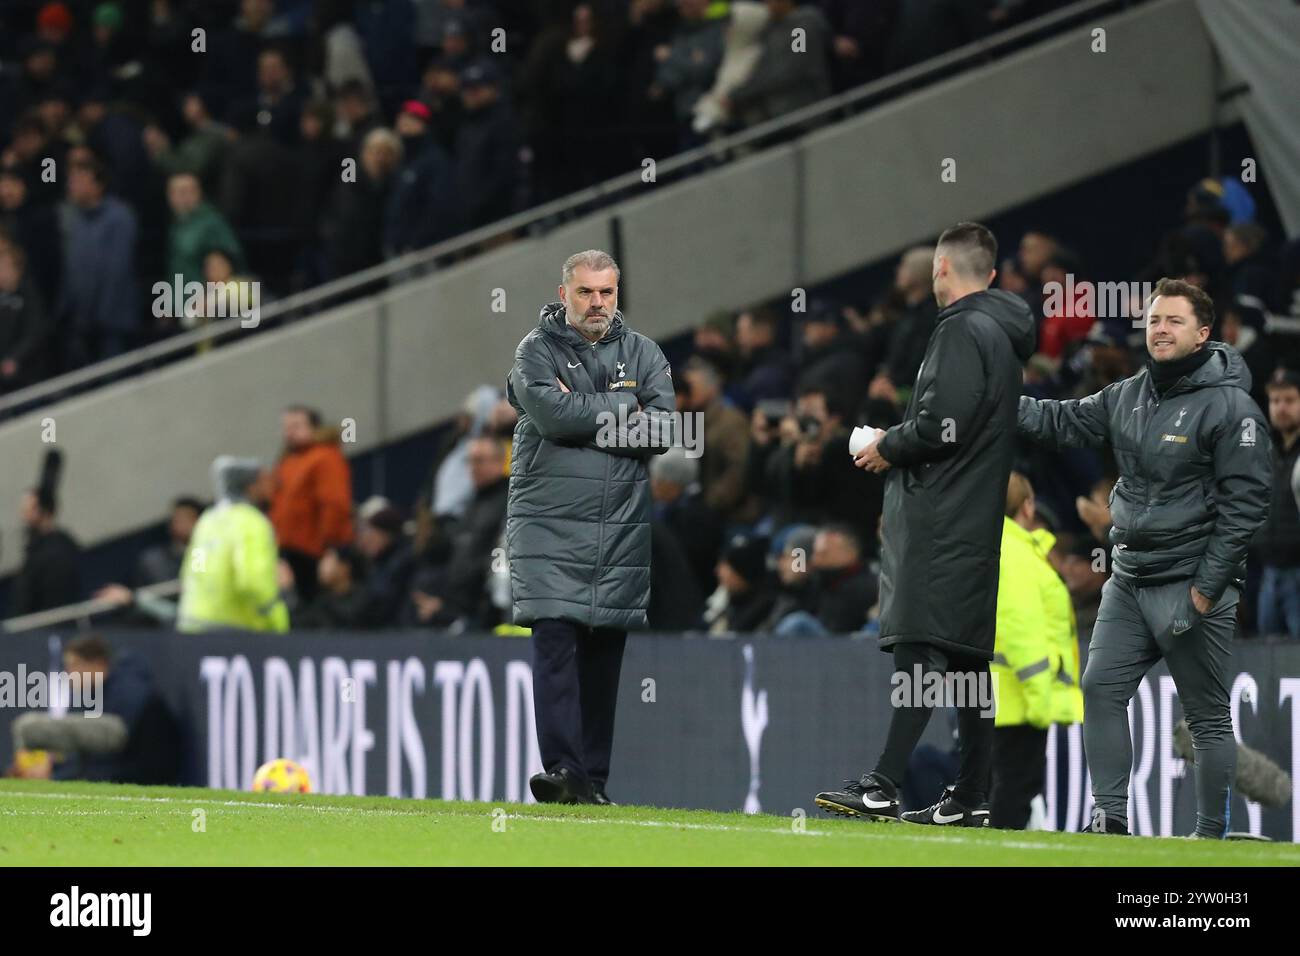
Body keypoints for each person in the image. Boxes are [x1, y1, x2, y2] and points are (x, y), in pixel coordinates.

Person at [1017, 278, 1271, 837]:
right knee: (1100, 688)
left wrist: (1206, 588)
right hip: (1129, 577)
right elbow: (1060, 421)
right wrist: (995, 401)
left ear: (1203, 334)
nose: (1160, 330)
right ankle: (1110, 820)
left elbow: (1247, 506)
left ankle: (1210, 835)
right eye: (1155, 320)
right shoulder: (1128, 394)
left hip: (1191, 580)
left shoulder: (1232, 408)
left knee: (1205, 716)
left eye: (1174, 321)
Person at [814, 221, 1035, 825]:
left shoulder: (964, 329)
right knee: (964, 659)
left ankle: (883, 784)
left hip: (941, 517)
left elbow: (944, 425)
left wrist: (889, 443)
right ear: (989, 275)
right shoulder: (1002, 336)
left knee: (919, 645)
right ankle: (971, 795)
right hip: (973, 517)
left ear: (941, 269)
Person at [506, 249, 674, 805]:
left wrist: (585, 413)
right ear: (564, 296)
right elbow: (553, 417)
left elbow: (668, 430)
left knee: (603, 658)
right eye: (585, 292)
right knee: (554, 641)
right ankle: (562, 768)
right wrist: (624, 408)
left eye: (606, 292)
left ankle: (592, 781)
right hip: (548, 527)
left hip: (617, 529)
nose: (597, 303)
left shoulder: (645, 352)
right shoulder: (534, 352)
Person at [990, 472, 1083, 829]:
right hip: (1019, 700)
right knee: (1015, 790)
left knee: (1003, 787)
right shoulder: (1017, 555)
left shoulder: (1002, 548)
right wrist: (1039, 696)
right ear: (1027, 506)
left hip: (1004, 694)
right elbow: (1021, 628)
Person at [9, 634, 181, 784]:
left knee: (29, 726)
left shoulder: (132, 696)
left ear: (98, 665)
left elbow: (122, 761)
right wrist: (53, 768)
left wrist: (56, 775)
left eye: (75, 665)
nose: (69, 674)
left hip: (142, 776)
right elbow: (87, 756)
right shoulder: (95, 695)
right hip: (115, 773)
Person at [177, 456, 289, 633]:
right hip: (234, 629)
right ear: (252, 487)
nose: (272, 486)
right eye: (265, 481)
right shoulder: (252, 523)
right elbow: (252, 580)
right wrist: (276, 620)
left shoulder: (207, 521)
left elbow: (194, 570)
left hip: (193, 626)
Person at [269, 405, 354, 602]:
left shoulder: (326, 457)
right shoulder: (288, 460)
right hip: (289, 550)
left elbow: (335, 503)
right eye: (286, 427)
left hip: (313, 552)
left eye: (296, 426)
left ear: (315, 428)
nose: (289, 432)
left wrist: (333, 550)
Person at [1253, 368, 1300, 638]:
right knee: (1268, 658)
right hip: (1268, 571)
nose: (1281, 407)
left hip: (1298, 569)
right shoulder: (1264, 450)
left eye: (1289, 400)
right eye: (1275, 401)